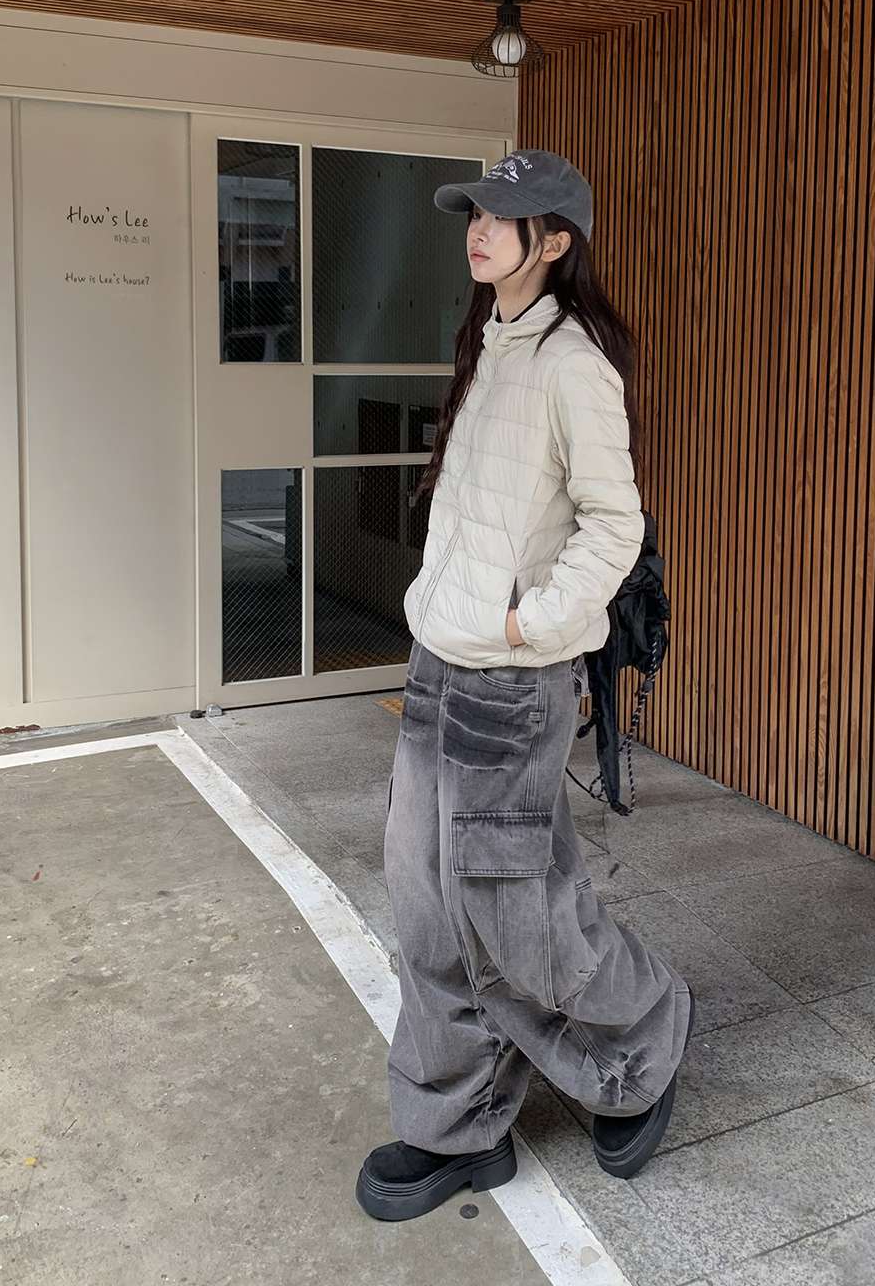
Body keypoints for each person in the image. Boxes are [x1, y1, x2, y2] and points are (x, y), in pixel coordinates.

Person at [355, 151, 694, 1224]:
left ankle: (645, 1038)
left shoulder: (572, 362)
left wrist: (527, 623)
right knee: (426, 903)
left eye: (504, 216)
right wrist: (448, 606)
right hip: (438, 667)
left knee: (516, 913)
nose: (480, 226)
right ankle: (458, 1126)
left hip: (510, 681)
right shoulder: (492, 345)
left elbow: (615, 524)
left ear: (554, 241)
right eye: (475, 211)